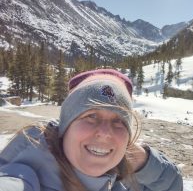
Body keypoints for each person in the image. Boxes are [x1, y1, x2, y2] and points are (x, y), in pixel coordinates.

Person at [0, 69, 183, 191]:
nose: (105, 133)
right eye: (91, 116)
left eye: (119, 121)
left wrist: (143, 162)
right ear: (66, 126)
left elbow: (173, 186)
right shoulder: (22, 175)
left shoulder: (118, 178)